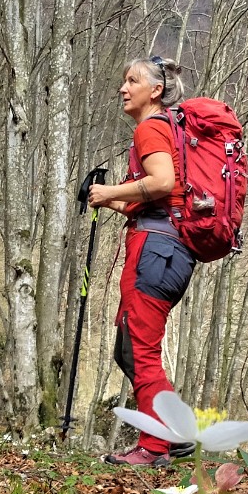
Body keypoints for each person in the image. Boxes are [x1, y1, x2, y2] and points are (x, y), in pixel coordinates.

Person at [88, 55, 195, 467]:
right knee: (127, 350)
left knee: (139, 349)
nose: (123, 88)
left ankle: (154, 446)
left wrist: (113, 187)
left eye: (132, 81)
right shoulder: (170, 130)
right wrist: (109, 198)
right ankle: (174, 434)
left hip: (155, 252)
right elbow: (161, 201)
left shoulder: (151, 128)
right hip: (165, 248)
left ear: (155, 91)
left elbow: (163, 182)